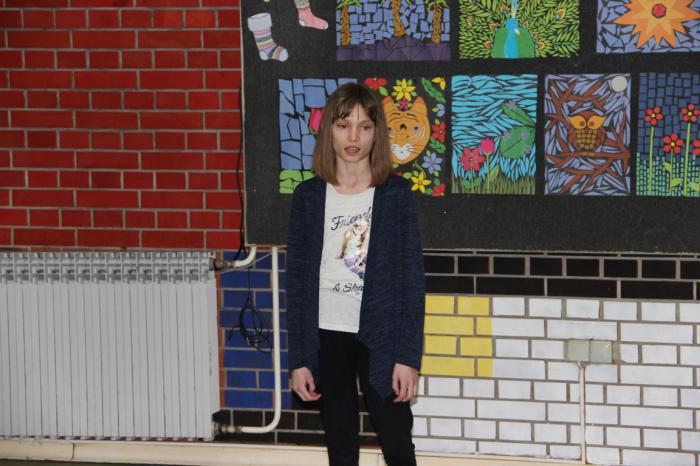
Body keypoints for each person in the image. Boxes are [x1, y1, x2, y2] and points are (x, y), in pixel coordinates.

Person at [286, 82, 426, 466]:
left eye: (364, 127)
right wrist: (299, 359)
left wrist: (407, 357)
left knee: (397, 444)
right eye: (343, 125)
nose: (353, 137)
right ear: (328, 131)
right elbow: (296, 285)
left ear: (376, 134)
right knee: (341, 445)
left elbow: (411, 281)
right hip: (326, 334)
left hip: (382, 334)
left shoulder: (395, 195)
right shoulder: (308, 197)